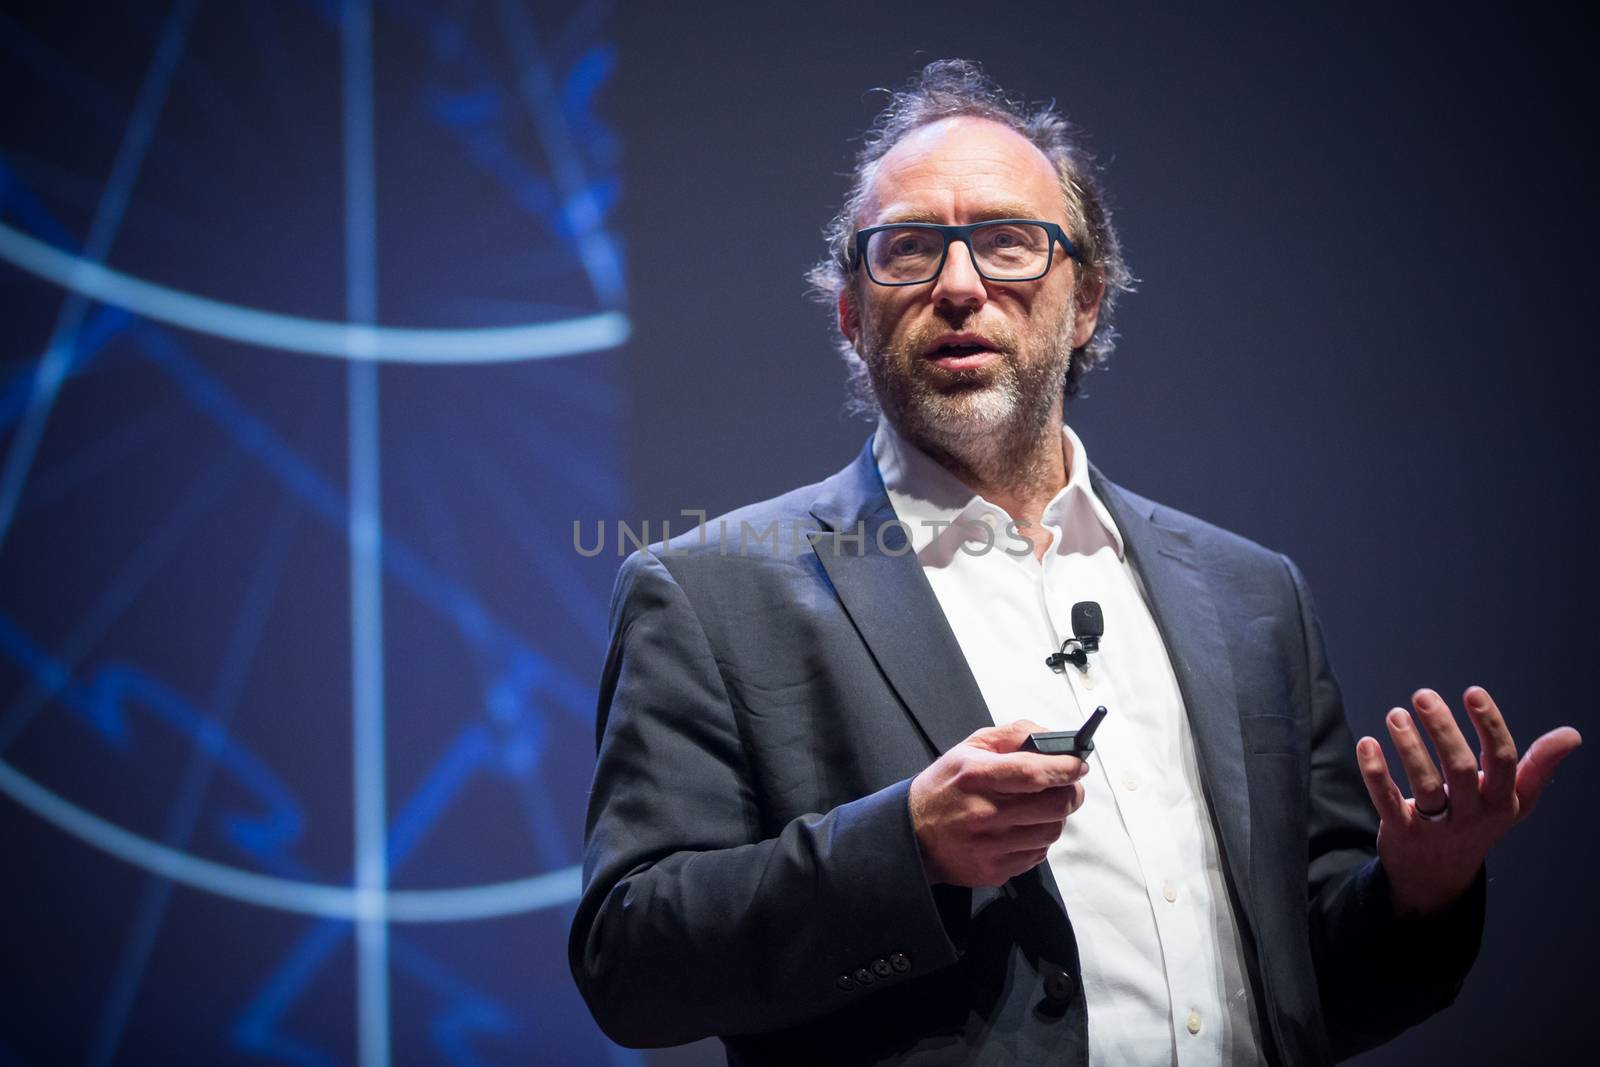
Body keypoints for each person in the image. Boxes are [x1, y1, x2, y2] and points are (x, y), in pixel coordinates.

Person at [567, 60, 1581, 1066]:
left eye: (1008, 244)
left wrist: (1419, 888)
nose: (959, 285)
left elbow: (1315, 983)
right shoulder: (709, 592)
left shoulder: (1248, 592)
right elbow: (631, 962)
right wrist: (905, 847)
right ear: (849, 312)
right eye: (909, 249)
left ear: (1085, 299)